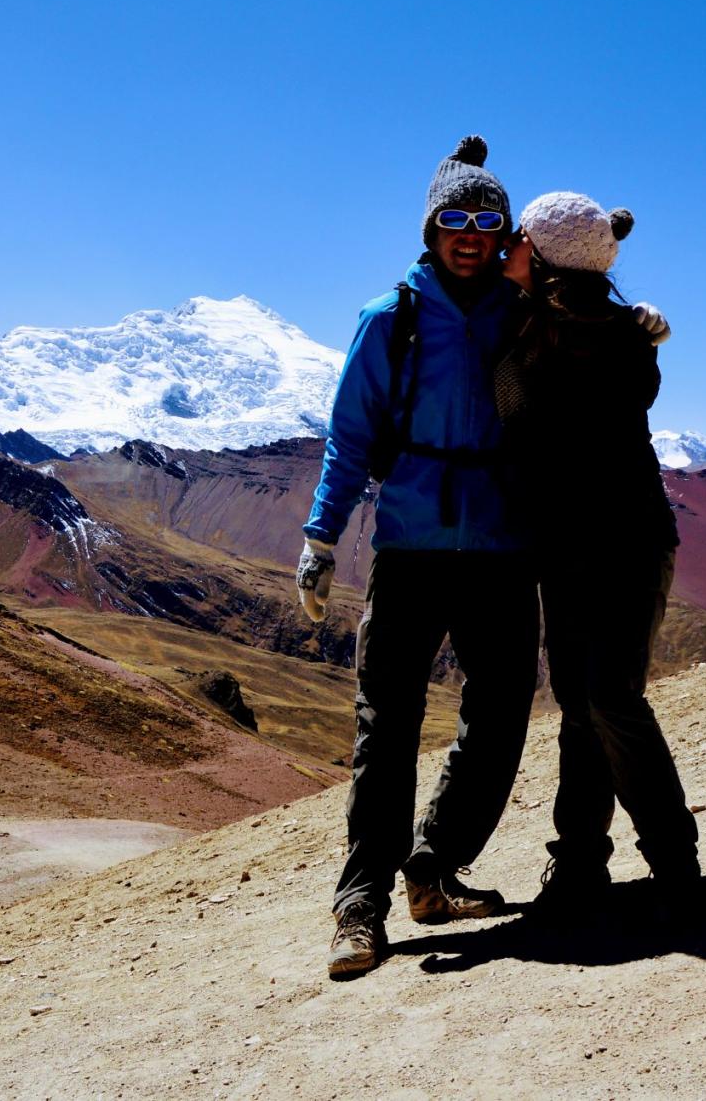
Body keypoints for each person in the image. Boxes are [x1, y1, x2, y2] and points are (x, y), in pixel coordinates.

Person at [299, 135, 541, 979]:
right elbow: (349, 438)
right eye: (455, 220)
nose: (470, 234)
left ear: (506, 233)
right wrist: (319, 538)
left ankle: (433, 868)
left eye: (487, 220)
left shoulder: (525, 309)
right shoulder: (389, 319)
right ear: (430, 229)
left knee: (504, 711)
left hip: (505, 549)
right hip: (409, 547)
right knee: (387, 729)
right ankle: (359, 905)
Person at [496, 192, 700, 917]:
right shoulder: (586, 328)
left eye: (518, 239)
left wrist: (633, 323)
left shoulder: (586, 336)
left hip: (626, 541)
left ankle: (673, 856)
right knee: (581, 703)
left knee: (608, 696)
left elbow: (539, 402)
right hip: (572, 547)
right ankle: (580, 862)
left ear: (545, 257)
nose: (504, 248)